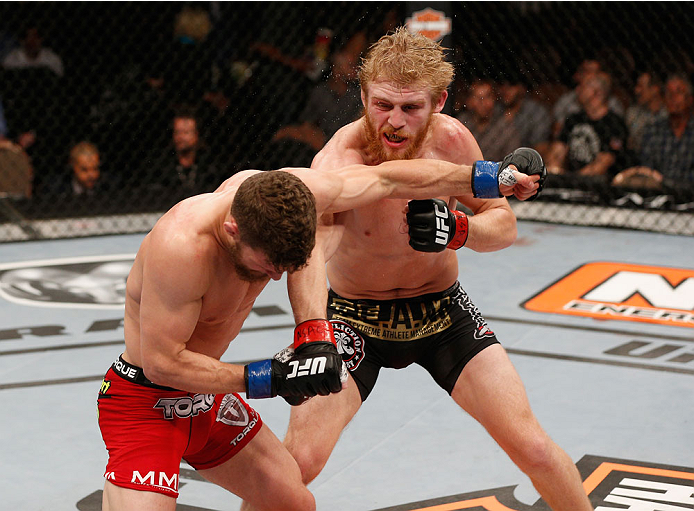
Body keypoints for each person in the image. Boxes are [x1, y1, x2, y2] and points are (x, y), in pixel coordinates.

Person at [253, 27, 592, 511]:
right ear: (364, 95)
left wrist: (459, 230)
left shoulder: (453, 141)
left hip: (442, 313)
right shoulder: (338, 159)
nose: (393, 121)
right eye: (382, 105)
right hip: (354, 318)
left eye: (410, 108)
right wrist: (312, 330)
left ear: (439, 102)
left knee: (533, 446)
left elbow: (502, 225)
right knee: (297, 462)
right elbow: (311, 253)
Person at [97, 153, 541, 510]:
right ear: (232, 230)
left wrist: (486, 177)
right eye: (266, 265)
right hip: (144, 404)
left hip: (206, 402)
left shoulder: (293, 191)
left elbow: (389, 180)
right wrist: (268, 377)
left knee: (293, 502)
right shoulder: (181, 247)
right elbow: (163, 362)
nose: (273, 278)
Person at [612, 72, 694, 189]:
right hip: (656, 194)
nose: (672, 97)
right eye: (668, 93)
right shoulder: (653, 130)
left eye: (678, 92)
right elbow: (647, 170)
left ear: (690, 99)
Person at [545, 72, 628, 179]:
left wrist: (572, 180)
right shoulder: (574, 119)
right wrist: (555, 171)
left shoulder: (614, 124)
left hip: (601, 184)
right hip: (570, 178)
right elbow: (557, 152)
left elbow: (602, 164)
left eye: (582, 86)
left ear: (597, 92)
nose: (577, 90)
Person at [457, 77, 522, 161]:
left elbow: (513, 163)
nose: (483, 103)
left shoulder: (505, 128)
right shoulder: (461, 124)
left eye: (487, 97)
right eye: (478, 98)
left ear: (494, 99)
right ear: (469, 101)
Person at [625, 71, 667, 153]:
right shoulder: (632, 113)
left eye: (640, 86)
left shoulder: (668, 114)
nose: (636, 91)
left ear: (655, 89)